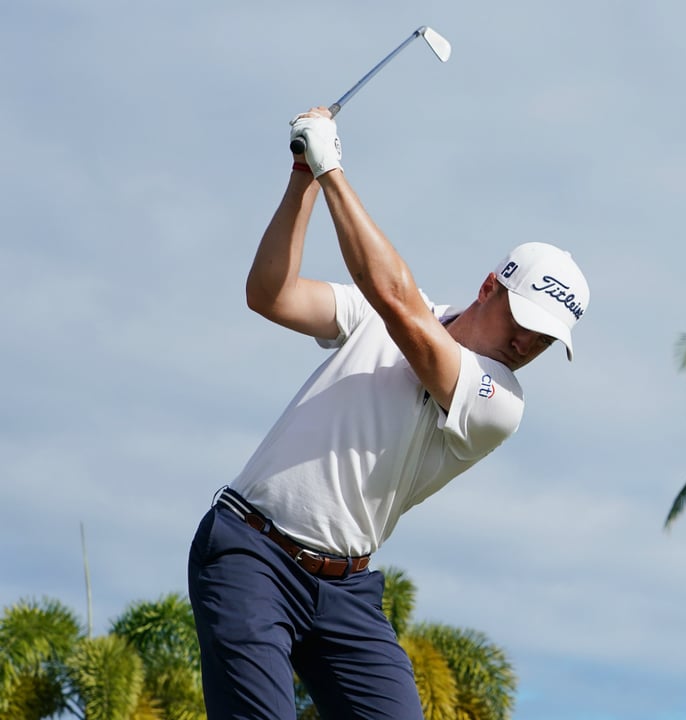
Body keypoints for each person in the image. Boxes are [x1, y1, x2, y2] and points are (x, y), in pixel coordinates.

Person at [187, 107, 590, 719]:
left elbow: (399, 305)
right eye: (525, 322)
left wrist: (332, 169)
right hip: (251, 552)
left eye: (544, 339)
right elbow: (270, 294)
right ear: (489, 287)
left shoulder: (500, 402)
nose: (526, 345)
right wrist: (303, 176)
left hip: (346, 591)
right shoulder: (383, 314)